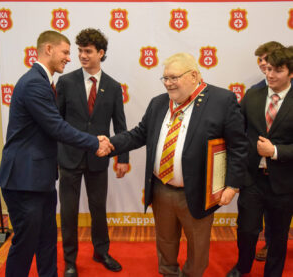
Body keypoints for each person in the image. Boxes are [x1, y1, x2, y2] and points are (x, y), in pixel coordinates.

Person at [109, 52, 248, 277]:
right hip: (161, 188)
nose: (168, 83)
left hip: (198, 191)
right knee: (165, 241)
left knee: (197, 247)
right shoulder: (159, 102)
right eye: (164, 78)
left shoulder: (222, 100)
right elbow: (138, 134)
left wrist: (232, 186)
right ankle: (168, 272)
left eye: (174, 77)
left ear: (194, 75)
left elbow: (238, 147)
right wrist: (109, 144)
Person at [0, 30, 113, 277]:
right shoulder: (34, 84)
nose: (69, 58)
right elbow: (56, 126)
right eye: (65, 52)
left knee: (47, 240)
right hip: (24, 180)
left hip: (40, 179)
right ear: (48, 49)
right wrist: (95, 142)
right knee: (26, 245)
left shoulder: (42, 81)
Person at [56, 28, 129, 277]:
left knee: (99, 208)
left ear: (101, 53)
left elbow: (120, 125)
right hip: (69, 158)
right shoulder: (65, 82)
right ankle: (69, 261)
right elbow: (56, 121)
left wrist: (123, 158)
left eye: (88, 51)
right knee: (68, 211)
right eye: (79, 51)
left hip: (99, 159)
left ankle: (101, 252)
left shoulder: (113, 86)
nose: (82, 55)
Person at [226, 47, 293, 277]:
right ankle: (242, 267)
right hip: (252, 179)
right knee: (246, 230)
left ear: (291, 73)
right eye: (269, 69)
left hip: (284, 184)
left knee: (278, 235)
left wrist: (274, 151)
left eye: (278, 70)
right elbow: (235, 129)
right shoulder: (253, 96)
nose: (270, 75)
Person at [250, 41, 285, 261]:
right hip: (263, 169)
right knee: (267, 215)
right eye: (261, 61)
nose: (264, 64)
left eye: (268, 59)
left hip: (288, 165)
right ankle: (269, 245)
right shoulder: (254, 92)